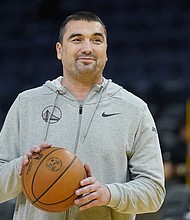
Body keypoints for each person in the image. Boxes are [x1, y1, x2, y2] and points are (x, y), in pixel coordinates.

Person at [0, 11, 165, 220]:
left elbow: (154, 192)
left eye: (96, 40)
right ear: (59, 50)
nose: (87, 48)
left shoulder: (135, 109)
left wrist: (109, 194)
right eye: (77, 39)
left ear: (106, 51)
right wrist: (22, 169)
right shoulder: (26, 104)